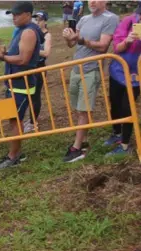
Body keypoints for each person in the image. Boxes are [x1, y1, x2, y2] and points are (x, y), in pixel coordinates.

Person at [62, 0, 119, 162]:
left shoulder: (110, 18)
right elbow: (72, 44)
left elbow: (102, 46)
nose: (92, 2)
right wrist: (68, 37)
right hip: (76, 69)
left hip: (91, 70)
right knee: (78, 108)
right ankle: (84, 140)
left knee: (84, 109)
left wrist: (80, 39)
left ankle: (77, 147)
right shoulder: (84, 19)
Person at [0, 1, 42, 169]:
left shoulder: (29, 32)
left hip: (22, 84)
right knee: (12, 120)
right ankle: (15, 152)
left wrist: (1, 57)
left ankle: (13, 156)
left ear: (28, 14)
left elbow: (23, 59)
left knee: (16, 121)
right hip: (14, 83)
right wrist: (4, 52)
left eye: (17, 14)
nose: (14, 17)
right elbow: (16, 53)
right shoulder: (21, 30)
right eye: (12, 14)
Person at [104, 3, 141, 156]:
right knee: (115, 104)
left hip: (136, 75)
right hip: (119, 71)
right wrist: (127, 41)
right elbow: (117, 48)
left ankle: (125, 145)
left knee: (128, 108)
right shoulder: (129, 21)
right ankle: (116, 133)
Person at [23, 10, 52, 133]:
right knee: (27, 95)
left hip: (39, 68)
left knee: (35, 96)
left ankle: (33, 123)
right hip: (28, 68)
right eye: (35, 19)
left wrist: (31, 49)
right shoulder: (32, 33)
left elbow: (46, 52)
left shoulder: (47, 35)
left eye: (39, 19)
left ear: (45, 21)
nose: (36, 21)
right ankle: (29, 120)